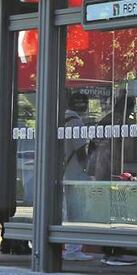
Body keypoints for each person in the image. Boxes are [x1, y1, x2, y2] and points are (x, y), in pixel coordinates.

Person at [91, 88, 137, 266]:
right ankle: (114, 252)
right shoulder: (123, 123)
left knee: (110, 212)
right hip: (118, 172)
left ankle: (110, 250)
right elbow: (132, 148)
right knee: (119, 212)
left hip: (103, 172)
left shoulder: (106, 120)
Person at [61, 92, 94, 261]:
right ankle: (73, 249)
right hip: (75, 174)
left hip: (63, 173)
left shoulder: (61, 120)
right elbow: (81, 151)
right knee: (76, 212)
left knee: (66, 211)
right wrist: (87, 169)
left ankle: (67, 247)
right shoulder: (76, 122)